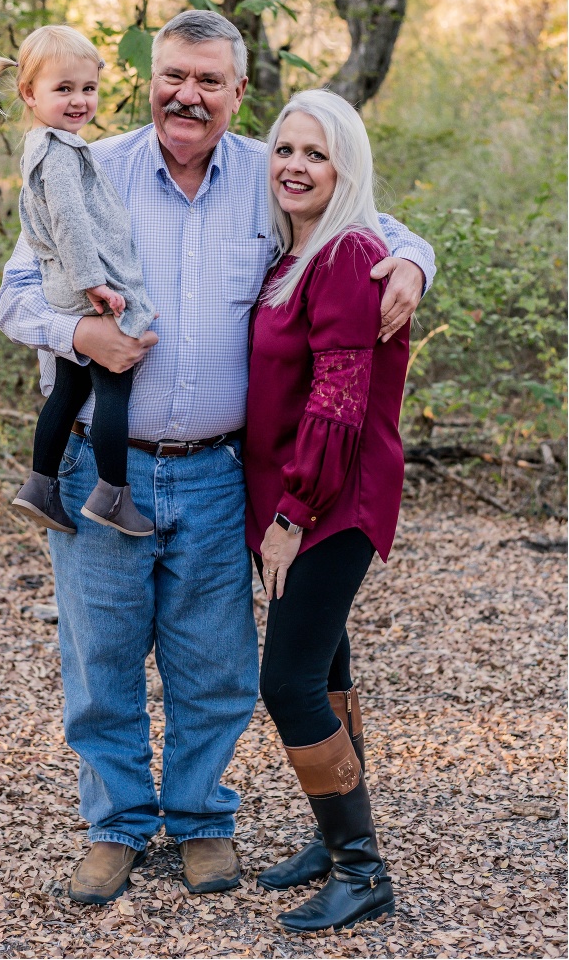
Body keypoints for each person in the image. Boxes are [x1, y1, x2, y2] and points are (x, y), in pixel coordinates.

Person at [0, 11, 435, 906]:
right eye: (172, 76)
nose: (186, 95)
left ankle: (200, 820)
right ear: (150, 79)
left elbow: (374, 224)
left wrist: (415, 263)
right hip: (99, 464)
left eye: (208, 81)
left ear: (240, 93)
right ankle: (117, 826)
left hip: (216, 467)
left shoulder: (266, 178)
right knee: (102, 658)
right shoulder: (88, 165)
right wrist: (77, 330)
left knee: (213, 662)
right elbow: (13, 297)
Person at [244, 89, 409, 933]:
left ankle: (362, 867)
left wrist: (293, 512)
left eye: (316, 153)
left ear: (345, 167)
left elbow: (339, 399)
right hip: (299, 496)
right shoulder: (294, 252)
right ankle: (331, 837)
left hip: (332, 497)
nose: (295, 167)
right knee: (328, 668)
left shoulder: (347, 255)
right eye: (285, 150)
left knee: (289, 680)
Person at [0, 26, 156, 537]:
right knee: (114, 388)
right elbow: (72, 225)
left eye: (88, 88)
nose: (79, 101)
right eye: (64, 89)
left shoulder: (44, 147)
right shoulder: (59, 154)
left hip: (63, 287)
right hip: (85, 291)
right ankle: (112, 495)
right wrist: (95, 285)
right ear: (30, 94)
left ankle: (40, 485)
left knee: (68, 390)